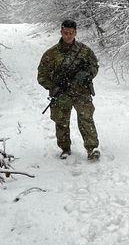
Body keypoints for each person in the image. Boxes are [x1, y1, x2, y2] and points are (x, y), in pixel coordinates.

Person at [37, 20, 100, 161]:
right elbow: (41, 76)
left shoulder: (84, 51)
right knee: (61, 122)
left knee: (86, 119)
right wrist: (54, 86)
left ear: (75, 33)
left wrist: (86, 75)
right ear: (61, 32)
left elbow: (94, 66)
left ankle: (92, 148)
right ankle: (65, 148)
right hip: (61, 94)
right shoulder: (51, 53)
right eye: (66, 32)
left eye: (71, 33)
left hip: (81, 92)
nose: (68, 36)